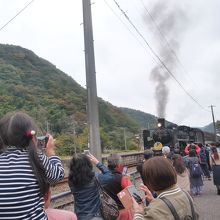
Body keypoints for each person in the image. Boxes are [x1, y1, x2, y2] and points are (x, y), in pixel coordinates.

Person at [0, 112, 65, 219]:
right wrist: (50, 151)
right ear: (31, 136)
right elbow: (58, 176)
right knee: (71, 216)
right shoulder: (36, 157)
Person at [131, 157, 199, 220]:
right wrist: (154, 201)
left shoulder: (155, 210)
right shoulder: (186, 194)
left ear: (150, 182)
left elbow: (161, 210)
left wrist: (138, 212)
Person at [88, 153, 133, 220]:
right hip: (122, 212)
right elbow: (132, 194)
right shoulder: (122, 178)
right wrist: (128, 180)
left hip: (107, 211)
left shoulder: (100, 176)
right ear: (118, 165)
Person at [68, 154, 103, 220]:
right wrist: (97, 163)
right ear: (88, 164)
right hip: (95, 215)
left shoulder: (71, 181)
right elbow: (109, 174)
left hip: (79, 216)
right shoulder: (95, 177)